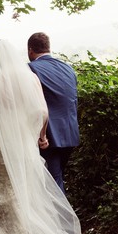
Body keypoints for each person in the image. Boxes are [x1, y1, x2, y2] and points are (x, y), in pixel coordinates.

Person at [0, 39, 99, 234]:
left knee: (1, 186)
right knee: (24, 185)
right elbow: (42, 111)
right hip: (23, 138)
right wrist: (39, 136)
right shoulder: (29, 77)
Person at [27, 32, 79, 193]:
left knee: (53, 181)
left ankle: (60, 218)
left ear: (30, 50)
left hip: (48, 136)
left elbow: (28, 103)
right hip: (70, 133)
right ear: (48, 47)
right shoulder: (67, 68)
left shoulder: (30, 69)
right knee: (56, 176)